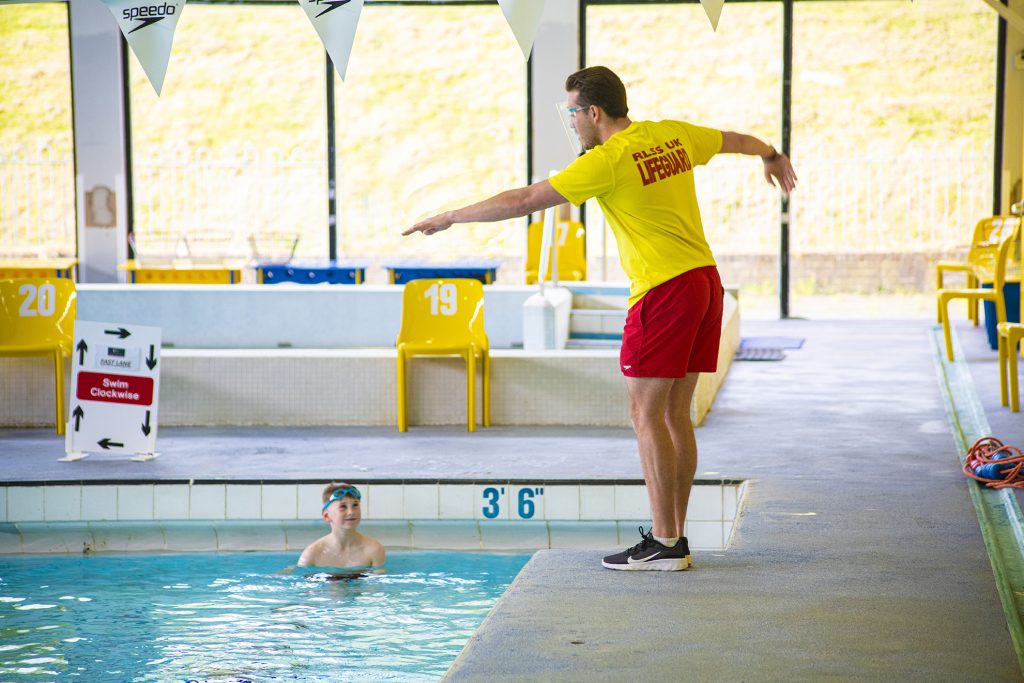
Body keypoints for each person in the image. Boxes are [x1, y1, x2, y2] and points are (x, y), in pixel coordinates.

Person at [403, 66, 797, 571]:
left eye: (572, 112)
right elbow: (733, 140)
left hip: (662, 290)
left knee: (644, 414)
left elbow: (525, 200)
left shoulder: (608, 160)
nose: (570, 123)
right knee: (674, 413)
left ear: (593, 112)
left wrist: (451, 215)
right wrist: (770, 153)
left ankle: (665, 540)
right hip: (703, 281)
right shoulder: (670, 134)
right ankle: (672, 538)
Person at [298, 482, 385, 572]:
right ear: (326, 516)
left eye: (355, 505)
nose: (351, 512)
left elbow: (377, 584)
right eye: (343, 506)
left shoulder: (373, 550)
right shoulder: (312, 554)